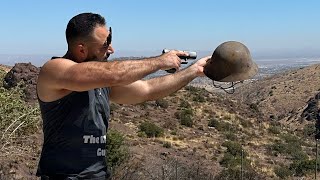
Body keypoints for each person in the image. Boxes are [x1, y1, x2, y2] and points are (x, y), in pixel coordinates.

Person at [36, 12, 211, 179]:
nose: (111, 49)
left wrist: (194, 71)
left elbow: (148, 89)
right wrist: (160, 61)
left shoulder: (100, 84)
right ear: (82, 50)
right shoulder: (54, 70)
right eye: (105, 44)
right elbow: (115, 74)